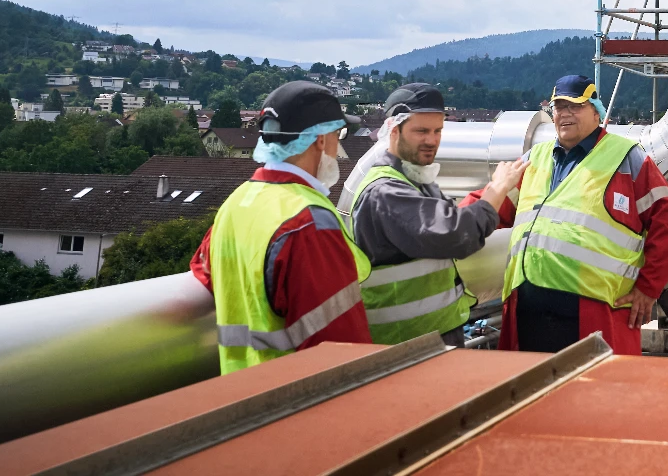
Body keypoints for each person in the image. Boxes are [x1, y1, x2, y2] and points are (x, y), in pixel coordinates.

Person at [480, 74, 668, 355]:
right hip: (528, 312)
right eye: (558, 107)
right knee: (535, 394)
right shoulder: (534, 158)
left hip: (592, 314)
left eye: (574, 106)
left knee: (592, 394)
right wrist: (449, 219)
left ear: (595, 111)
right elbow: (494, 203)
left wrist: (649, 288)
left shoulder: (627, 158)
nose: (564, 113)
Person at [191, 81, 371, 373]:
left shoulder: (236, 204)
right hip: (294, 404)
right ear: (321, 140)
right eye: (339, 134)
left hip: (238, 399)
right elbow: (343, 354)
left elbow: (206, 274)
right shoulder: (309, 224)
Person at [339, 83, 526, 345]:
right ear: (393, 130)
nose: (432, 140)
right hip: (403, 345)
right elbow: (456, 234)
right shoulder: (386, 192)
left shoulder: (416, 180)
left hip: (428, 336)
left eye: (438, 131)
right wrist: (498, 188)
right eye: (421, 131)